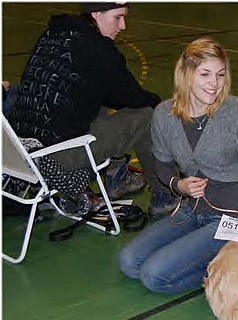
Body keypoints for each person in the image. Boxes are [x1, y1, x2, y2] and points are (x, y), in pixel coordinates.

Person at [118, 37, 238, 295]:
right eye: (205, 74)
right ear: (186, 74)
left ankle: (222, 270)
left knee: (154, 276)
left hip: (230, 217)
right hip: (190, 210)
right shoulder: (164, 115)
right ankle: (219, 260)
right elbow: (163, 167)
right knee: (129, 262)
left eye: (220, 74)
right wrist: (178, 185)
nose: (214, 84)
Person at [8, 2, 177, 217]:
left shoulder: (53, 34)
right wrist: (161, 105)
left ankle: (118, 175)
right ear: (96, 14)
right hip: (53, 160)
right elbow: (133, 97)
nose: (123, 25)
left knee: (96, 96)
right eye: (117, 17)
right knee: (146, 117)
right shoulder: (97, 48)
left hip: (18, 152)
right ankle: (164, 195)